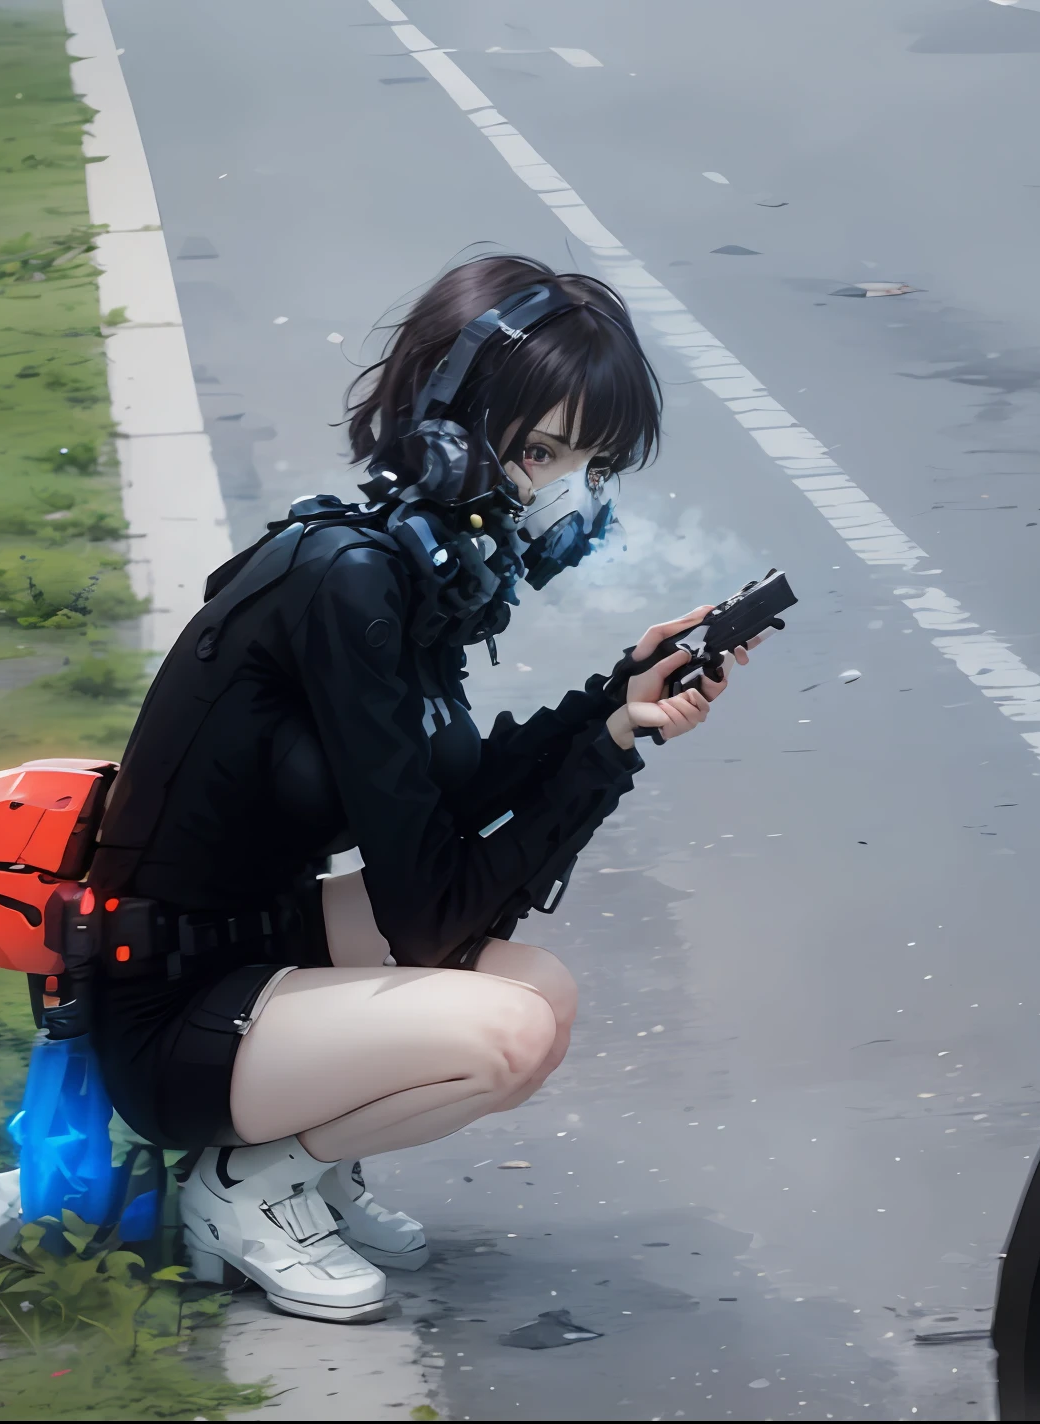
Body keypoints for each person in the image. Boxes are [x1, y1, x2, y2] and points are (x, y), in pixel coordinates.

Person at [84, 254, 766, 1323]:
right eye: (539, 448)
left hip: (254, 946)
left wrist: (614, 704)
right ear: (443, 426)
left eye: (587, 461)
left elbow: (443, 794)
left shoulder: (404, 571)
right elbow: (429, 912)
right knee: (502, 1031)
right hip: (174, 1013)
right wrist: (608, 750)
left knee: (541, 990)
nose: (559, 491)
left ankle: (304, 1157)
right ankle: (245, 1184)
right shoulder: (342, 580)